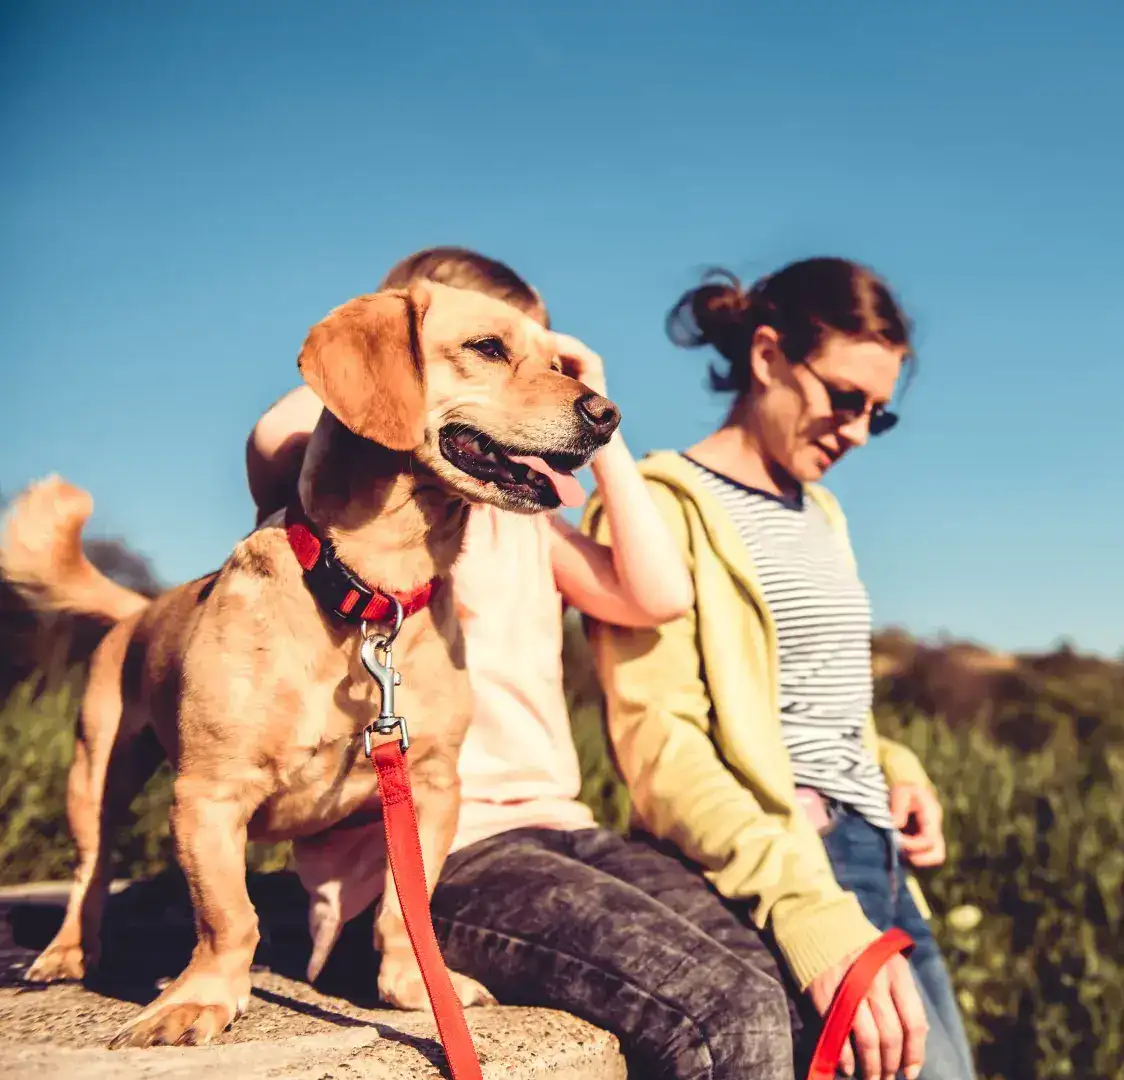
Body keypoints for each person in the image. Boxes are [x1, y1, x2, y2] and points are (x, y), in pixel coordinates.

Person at [247, 246, 802, 1080]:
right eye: (494, 351)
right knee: (733, 1016)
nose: (533, 377)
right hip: (438, 856)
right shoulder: (343, 507)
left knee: (776, 986)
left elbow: (656, 595)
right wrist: (413, 323)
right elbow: (280, 428)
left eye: (541, 357)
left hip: (558, 828)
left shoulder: (520, 519)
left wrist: (596, 411)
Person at [582, 257, 978, 1080]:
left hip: (885, 865)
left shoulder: (823, 511)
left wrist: (897, 770)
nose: (859, 431)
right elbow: (662, 749)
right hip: (790, 868)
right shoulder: (658, 503)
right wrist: (806, 910)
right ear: (767, 356)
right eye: (844, 398)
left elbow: (826, 699)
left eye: (880, 414)